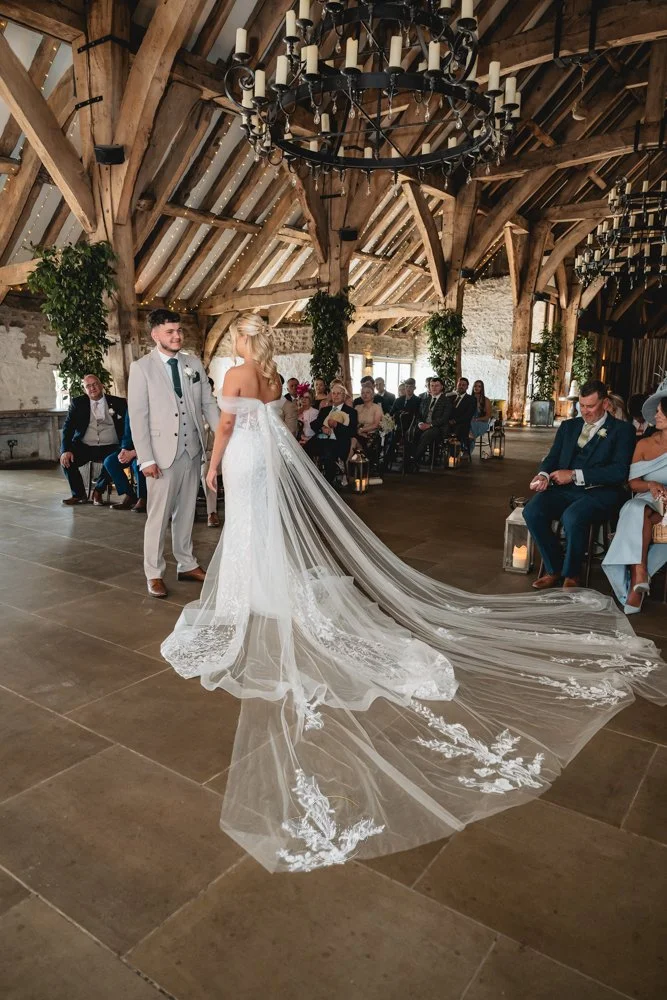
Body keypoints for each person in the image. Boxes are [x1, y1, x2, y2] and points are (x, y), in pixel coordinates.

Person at [160, 313, 666, 875]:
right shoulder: (272, 377)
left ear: (242, 339)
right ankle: (264, 586)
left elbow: (226, 429)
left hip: (242, 459)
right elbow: (274, 422)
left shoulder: (236, 374)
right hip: (268, 465)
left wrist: (211, 468)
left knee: (246, 526)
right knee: (262, 527)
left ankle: (250, 591)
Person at [128, 308, 220, 600]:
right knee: (158, 517)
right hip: (161, 455)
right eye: (170, 332)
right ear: (155, 334)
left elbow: (208, 404)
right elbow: (138, 416)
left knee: (187, 511)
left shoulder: (193, 363)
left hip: (192, 450)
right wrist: (146, 458)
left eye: (179, 330)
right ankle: (153, 573)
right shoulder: (142, 368)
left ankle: (187, 563)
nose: (177, 336)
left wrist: (223, 438)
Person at [523, 379, 636, 589]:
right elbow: (552, 457)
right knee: (532, 511)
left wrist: (575, 475)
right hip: (564, 490)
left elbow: (619, 472)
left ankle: (572, 574)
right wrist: (543, 475)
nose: (584, 411)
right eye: (581, 405)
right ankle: (554, 568)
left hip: (600, 493)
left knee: (573, 516)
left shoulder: (622, 430)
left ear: (605, 403)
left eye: (590, 406)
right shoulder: (568, 426)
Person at [603, 382, 667, 614]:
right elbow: (633, 483)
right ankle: (640, 573)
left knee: (636, 513)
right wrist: (651, 484)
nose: (656, 415)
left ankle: (637, 581)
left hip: (665, 511)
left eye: (661, 411)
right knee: (634, 507)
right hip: (647, 500)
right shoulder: (644, 444)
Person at [59, 373, 127, 506]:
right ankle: (79, 494)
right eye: (88, 386)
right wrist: (65, 450)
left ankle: (98, 491)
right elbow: (68, 428)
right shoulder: (78, 403)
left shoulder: (118, 402)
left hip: (111, 445)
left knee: (112, 461)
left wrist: (126, 446)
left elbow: (127, 427)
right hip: (85, 446)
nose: (92, 388)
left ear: (101, 385)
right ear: (84, 389)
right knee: (66, 460)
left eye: (95, 384)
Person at [308, 382, 358, 484]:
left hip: (339, 441)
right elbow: (314, 424)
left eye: (339, 393)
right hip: (321, 439)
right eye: (334, 393)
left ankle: (327, 483)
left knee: (328, 452)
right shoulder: (325, 410)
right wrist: (322, 428)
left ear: (344, 396)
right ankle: (308, 479)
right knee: (304, 449)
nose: (336, 396)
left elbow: (352, 431)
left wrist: (336, 425)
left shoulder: (351, 412)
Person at [103, 411, 147, 512]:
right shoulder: (131, 407)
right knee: (110, 461)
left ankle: (143, 498)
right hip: (131, 448)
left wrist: (135, 452)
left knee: (137, 464)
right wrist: (124, 449)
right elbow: (127, 433)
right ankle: (130, 495)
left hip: (148, 450)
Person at [413, 377, 453, 469]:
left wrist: (430, 425)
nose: (434, 388)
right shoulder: (425, 400)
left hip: (438, 427)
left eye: (436, 386)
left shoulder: (446, 401)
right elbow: (418, 415)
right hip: (423, 425)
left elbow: (444, 418)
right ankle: (411, 458)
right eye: (432, 386)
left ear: (442, 387)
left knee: (427, 435)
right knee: (411, 433)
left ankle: (413, 460)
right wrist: (420, 423)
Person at [355, 382, 383, 472]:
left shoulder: (377, 408)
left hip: (371, 434)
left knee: (366, 442)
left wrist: (362, 430)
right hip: (358, 433)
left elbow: (376, 424)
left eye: (368, 392)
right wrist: (359, 431)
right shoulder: (357, 407)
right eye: (363, 393)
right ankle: (353, 468)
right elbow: (353, 423)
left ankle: (365, 468)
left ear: (373, 395)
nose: (365, 395)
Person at [447, 376, 476, 444]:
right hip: (448, 421)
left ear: (467, 387)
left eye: (463, 385)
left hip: (461, 423)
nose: (461, 386)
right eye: (459, 384)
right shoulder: (450, 396)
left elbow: (468, 415)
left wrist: (455, 421)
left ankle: (457, 448)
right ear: (457, 385)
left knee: (459, 429)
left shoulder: (471, 399)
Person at [470, 379, 492, 443]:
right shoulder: (469, 398)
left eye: (479, 386)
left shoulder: (486, 400)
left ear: (482, 388)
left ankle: (470, 440)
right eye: (475, 386)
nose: (476, 388)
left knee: (470, 426)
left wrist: (476, 419)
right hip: (470, 421)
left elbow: (487, 417)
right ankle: (470, 439)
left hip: (481, 422)